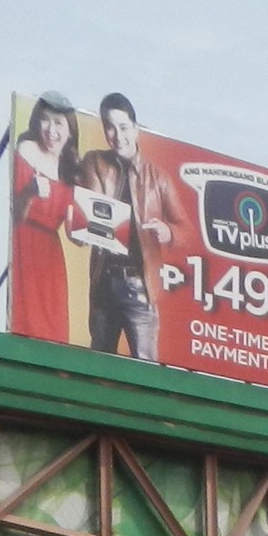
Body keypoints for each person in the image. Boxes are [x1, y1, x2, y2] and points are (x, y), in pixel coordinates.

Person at [71, 92, 192, 361]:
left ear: (136, 129)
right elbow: (83, 210)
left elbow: (188, 231)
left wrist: (168, 231)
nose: (117, 135)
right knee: (98, 365)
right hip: (104, 282)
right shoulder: (95, 162)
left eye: (123, 127)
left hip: (140, 286)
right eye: (110, 128)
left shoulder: (157, 177)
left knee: (144, 367)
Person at [5, 94, 81, 342]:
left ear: (69, 130)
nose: (51, 130)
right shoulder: (26, 151)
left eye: (58, 123)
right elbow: (17, 215)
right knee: (23, 325)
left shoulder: (71, 169)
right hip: (25, 246)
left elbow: (74, 232)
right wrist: (30, 192)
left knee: (53, 332)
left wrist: (91, 233)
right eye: (45, 121)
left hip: (50, 258)